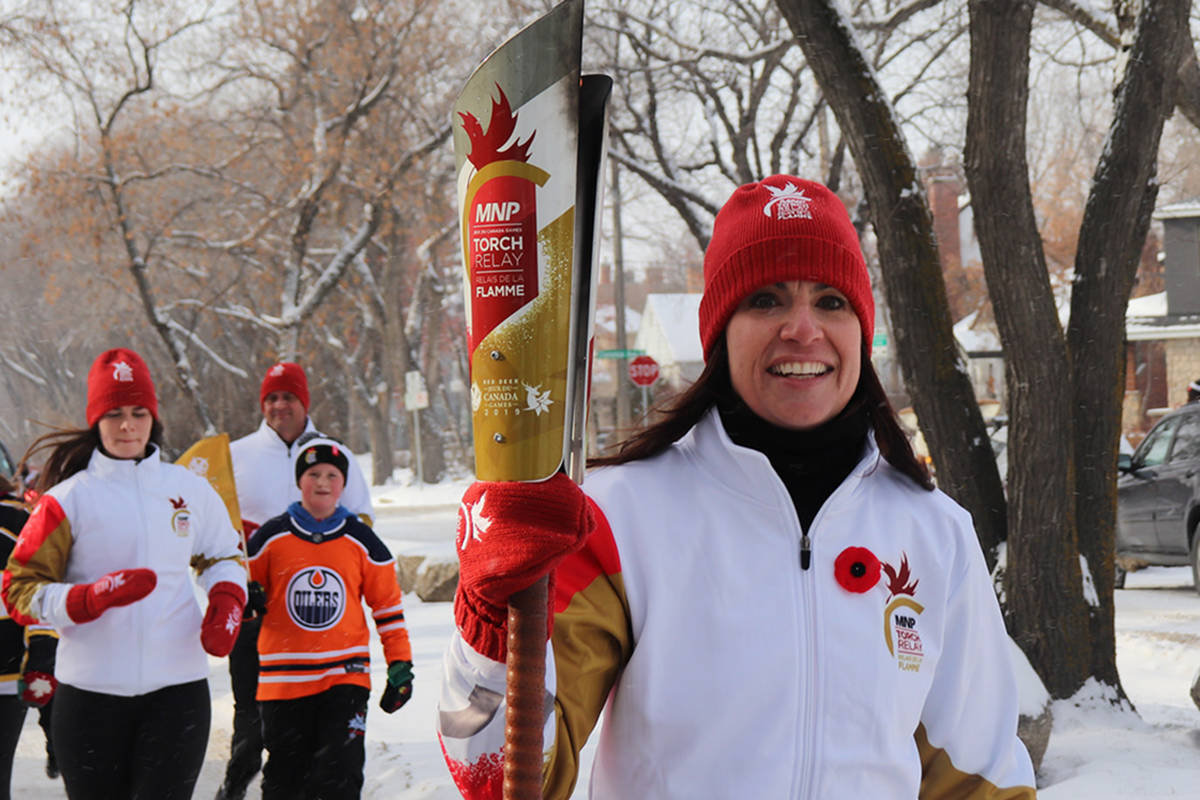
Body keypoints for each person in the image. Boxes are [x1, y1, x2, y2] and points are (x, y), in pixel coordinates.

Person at [436, 176, 1036, 798]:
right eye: (767, 300)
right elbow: (501, 779)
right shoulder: (620, 518)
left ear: (862, 328)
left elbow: (981, 779)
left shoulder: (933, 532)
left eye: (831, 301)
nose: (803, 329)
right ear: (720, 331)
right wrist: (488, 616)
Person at [2, 347, 247, 799]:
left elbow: (225, 555)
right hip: (90, 696)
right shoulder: (68, 499)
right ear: (96, 419)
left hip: (178, 693)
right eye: (114, 413)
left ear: (154, 417)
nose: (127, 425)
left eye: (138, 412)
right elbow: (19, 588)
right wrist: (86, 599)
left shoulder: (188, 489)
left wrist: (227, 602)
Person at [216, 361, 375, 800]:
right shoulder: (236, 457)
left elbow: (363, 525)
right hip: (257, 616)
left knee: (316, 731)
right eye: (271, 397)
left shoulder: (334, 454)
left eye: (288, 397)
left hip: (321, 619)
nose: (279, 405)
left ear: (305, 402)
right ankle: (235, 783)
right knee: (250, 716)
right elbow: (214, 535)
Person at [247, 434, 413, 799]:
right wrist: (245, 597)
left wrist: (400, 664)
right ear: (299, 481)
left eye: (332, 475)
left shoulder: (362, 540)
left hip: (344, 676)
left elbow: (388, 609)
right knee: (285, 782)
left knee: (340, 776)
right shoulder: (269, 538)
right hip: (282, 681)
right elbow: (239, 602)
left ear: (344, 484)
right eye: (314, 474)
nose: (322, 482)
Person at [0, 473, 58, 797]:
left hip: (6, 675)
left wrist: (43, 653)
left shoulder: (15, 522)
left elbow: (42, 592)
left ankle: (57, 743)